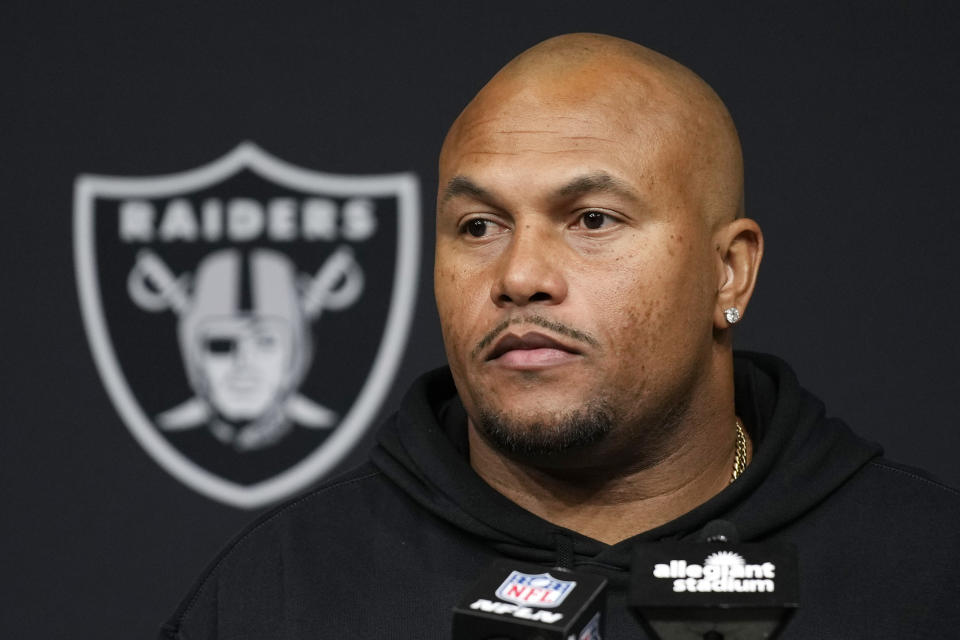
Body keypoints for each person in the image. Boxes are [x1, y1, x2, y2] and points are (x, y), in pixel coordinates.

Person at [159, 33, 960, 639]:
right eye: (478, 225)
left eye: (593, 220)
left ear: (729, 273)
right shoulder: (285, 589)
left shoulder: (923, 573)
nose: (520, 275)